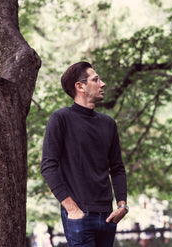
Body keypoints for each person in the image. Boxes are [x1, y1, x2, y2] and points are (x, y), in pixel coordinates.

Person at [41, 61, 128, 247]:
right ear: (80, 86)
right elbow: (48, 166)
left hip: (108, 217)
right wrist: (71, 208)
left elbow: (118, 168)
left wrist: (122, 205)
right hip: (79, 216)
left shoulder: (108, 124)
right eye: (96, 79)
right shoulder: (60, 119)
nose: (102, 84)